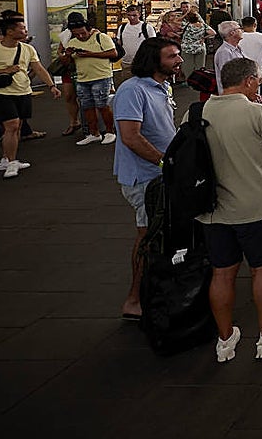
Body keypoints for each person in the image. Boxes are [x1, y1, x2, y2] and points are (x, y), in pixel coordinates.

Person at [197, 57, 262, 363]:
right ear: (248, 81)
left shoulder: (199, 112)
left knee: (222, 274)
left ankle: (225, 339)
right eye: (259, 79)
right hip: (257, 205)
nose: (261, 83)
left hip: (213, 210)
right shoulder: (256, 112)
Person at [112, 37, 183, 319]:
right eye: (172, 56)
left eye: (177, 55)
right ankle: (133, 301)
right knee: (147, 237)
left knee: (161, 237)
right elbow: (130, 137)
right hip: (144, 178)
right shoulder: (132, 90)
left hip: (160, 174)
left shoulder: (162, 85)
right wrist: (164, 162)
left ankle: (155, 291)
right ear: (154, 61)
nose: (178, 60)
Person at [0, 17, 61, 178]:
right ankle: (11, 162)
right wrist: (3, 71)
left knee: (17, 127)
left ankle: (6, 157)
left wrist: (52, 86)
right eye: (22, 28)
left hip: (23, 91)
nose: (26, 31)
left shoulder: (27, 49)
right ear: (9, 31)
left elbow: (38, 68)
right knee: (12, 125)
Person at [62, 17, 119, 146]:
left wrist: (90, 54)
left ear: (89, 29)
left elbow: (113, 53)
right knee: (87, 107)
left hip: (101, 77)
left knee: (102, 105)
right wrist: (68, 54)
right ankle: (94, 133)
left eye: (83, 33)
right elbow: (66, 63)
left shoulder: (101, 37)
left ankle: (110, 132)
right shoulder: (72, 42)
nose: (81, 36)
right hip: (82, 78)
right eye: (77, 34)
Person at [115, 5, 157, 86]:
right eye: (129, 15)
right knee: (127, 85)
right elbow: (119, 43)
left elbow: (153, 44)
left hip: (143, 62)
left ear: (139, 15)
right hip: (127, 62)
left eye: (134, 15)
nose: (131, 18)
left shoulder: (147, 27)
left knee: (144, 85)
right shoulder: (122, 27)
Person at [213, 20, 247, 95]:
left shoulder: (237, 48)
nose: (242, 31)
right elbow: (228, 75)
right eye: (239, 29)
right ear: (232, 33)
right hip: (231, 94)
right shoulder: (224, 52)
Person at [179, 10, 215, 79]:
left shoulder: (186, 25)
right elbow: (213, 33)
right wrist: (204, 38)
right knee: (200, 65)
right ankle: (200, 79)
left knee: (187, 65)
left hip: (187, 47)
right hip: (199, 47)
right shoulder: (203, 25)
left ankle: (189, 79)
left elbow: (176, 21)